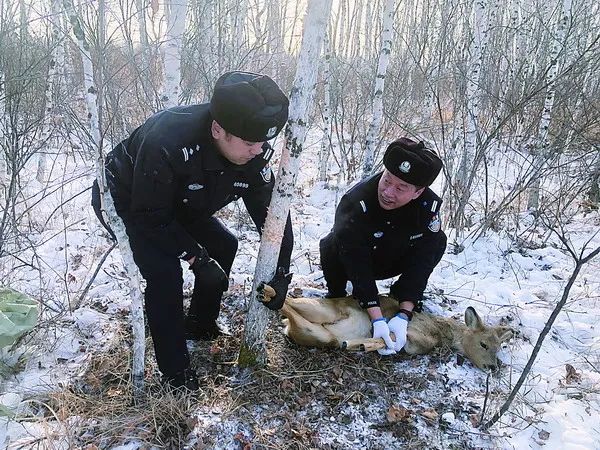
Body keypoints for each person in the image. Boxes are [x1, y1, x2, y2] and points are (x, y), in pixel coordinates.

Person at [91, 71, 294, 390]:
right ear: (218, 129)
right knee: (164, 273)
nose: (259, 150)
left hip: (182, 201)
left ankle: (200, 323)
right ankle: (175, 374)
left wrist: (281, 272)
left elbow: (274, 218)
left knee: (224, 245)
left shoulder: (253, 153)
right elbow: (150, 217)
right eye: (250, 143)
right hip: (127, 200)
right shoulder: (168, 140)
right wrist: (197, 258)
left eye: (263, 142)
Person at [319, 137, 446, 355]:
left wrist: (405, 314)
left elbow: (423, 261)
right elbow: (355, 259)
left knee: (438, 241)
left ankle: (399, 297)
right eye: (387, 180)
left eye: (401, 188)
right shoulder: (356, 202)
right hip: (356, 262)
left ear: (418, 192)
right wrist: (376, 318)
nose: (388, 192)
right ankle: (337, 293)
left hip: (394, 258)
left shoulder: (428, 208)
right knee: (331, 243)